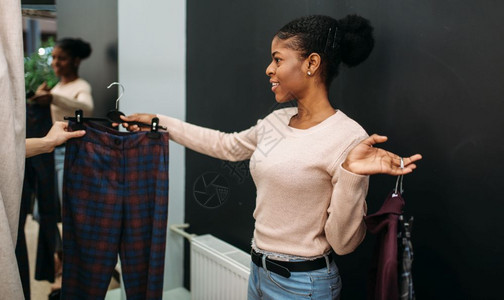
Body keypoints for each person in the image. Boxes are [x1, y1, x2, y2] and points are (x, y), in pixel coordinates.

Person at [120, 14, 422, 299]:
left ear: (311, 63)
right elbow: (226, 145)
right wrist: (160, 123)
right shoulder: (276, 122)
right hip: (258, 272)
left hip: (306, 285)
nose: (269, 69)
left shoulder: (348, 138)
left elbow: (344, 243)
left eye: (278, 59)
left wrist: (352, 174)